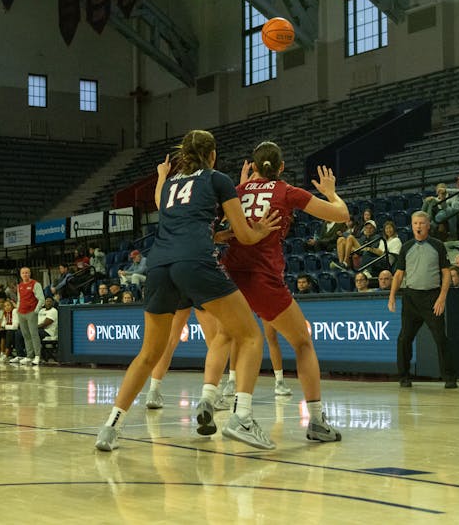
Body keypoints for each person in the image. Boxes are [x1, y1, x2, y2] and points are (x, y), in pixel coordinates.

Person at [95, 129, 282, 452]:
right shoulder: (217, 179)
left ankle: (111, 427)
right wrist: (260, 229)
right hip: (195, 264)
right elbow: (246, 235)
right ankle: (242, 419)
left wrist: (212, 234)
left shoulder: (169, 185)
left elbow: (174, 219)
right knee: (250, 336)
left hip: (159, 266)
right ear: (212, 155)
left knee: (148, 353)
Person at [218, 140, 350, 443]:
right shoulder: (286, 191)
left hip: (229, 276)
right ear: (280, 167)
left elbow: (221, 227)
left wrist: (244, 188)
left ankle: (221, 402)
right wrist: (330, 191)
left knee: (238, 338)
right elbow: (340, 215)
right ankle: (315, 421)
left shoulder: (237, 192)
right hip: (261, 277)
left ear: (252, 167)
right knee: (302, 342)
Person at [388, 210, 457, 388]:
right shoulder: (406, 247)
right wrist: (392, 296)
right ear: (412, 226)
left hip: (432, 297)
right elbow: (398, 274)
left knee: (441, 338)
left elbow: (446, 273)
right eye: (415, 223)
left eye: (421, 223)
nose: (418, 226)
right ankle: (404, 377)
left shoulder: (438, 245)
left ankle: (449, 378)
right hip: (411, 298)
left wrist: (442, 297)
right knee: (404, 338)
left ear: (428, 225)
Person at [16, 266, 44, 366]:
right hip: (21, 313)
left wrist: (36, 311)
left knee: (34, 334)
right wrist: (17, 310)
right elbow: (19, 299)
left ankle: (37, 356)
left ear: (30, 273)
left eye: (27, 272)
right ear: (20, 274)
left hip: (31, 312)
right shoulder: (19, 286)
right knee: (26, 335)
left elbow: (41, 299)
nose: (25, 274)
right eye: (23, 273)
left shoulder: (35, 284)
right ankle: (29, 355)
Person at [434, 174, 459, 239]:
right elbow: (445, 207)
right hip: (452, 215)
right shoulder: (454, 195)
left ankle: (453, 236)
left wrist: (446, 190)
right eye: (458, 182)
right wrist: (443, 199)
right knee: (442, 212)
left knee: (449, 211)